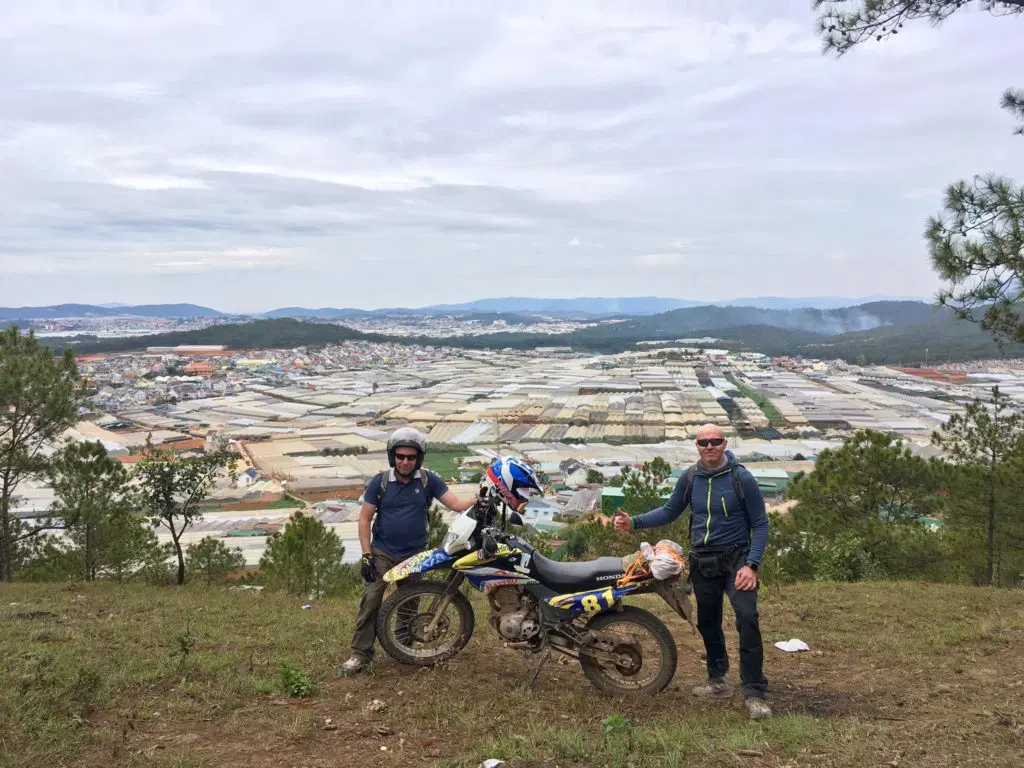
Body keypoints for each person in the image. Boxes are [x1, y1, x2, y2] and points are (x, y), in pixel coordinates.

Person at [613, 423, 772, 719]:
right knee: (707, 622)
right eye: (703, 442)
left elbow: (760, 523)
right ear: (696, 446)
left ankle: (754, 691)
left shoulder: (742, 478)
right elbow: (669, 510)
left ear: (724, 444)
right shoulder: (690, 478)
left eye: (715, 441)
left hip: (737, 558)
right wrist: (632, 522)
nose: (709, 447)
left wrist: (752, 565)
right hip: (704, 560)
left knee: (747, 618)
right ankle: (718, 680)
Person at [340, 427, 475, 675]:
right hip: (382, 553)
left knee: (409, 603)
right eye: (400, 456)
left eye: (411, 457)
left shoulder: (427, 480)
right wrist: (366, 554)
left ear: (418, 458)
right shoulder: (380, 482)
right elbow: (364, 519)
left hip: (414, 554)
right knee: (371, 600)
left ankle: (403, 648)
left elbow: (456, 504)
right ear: (393, 457)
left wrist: (479, 499)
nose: (405, 461)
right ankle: (360, 654)